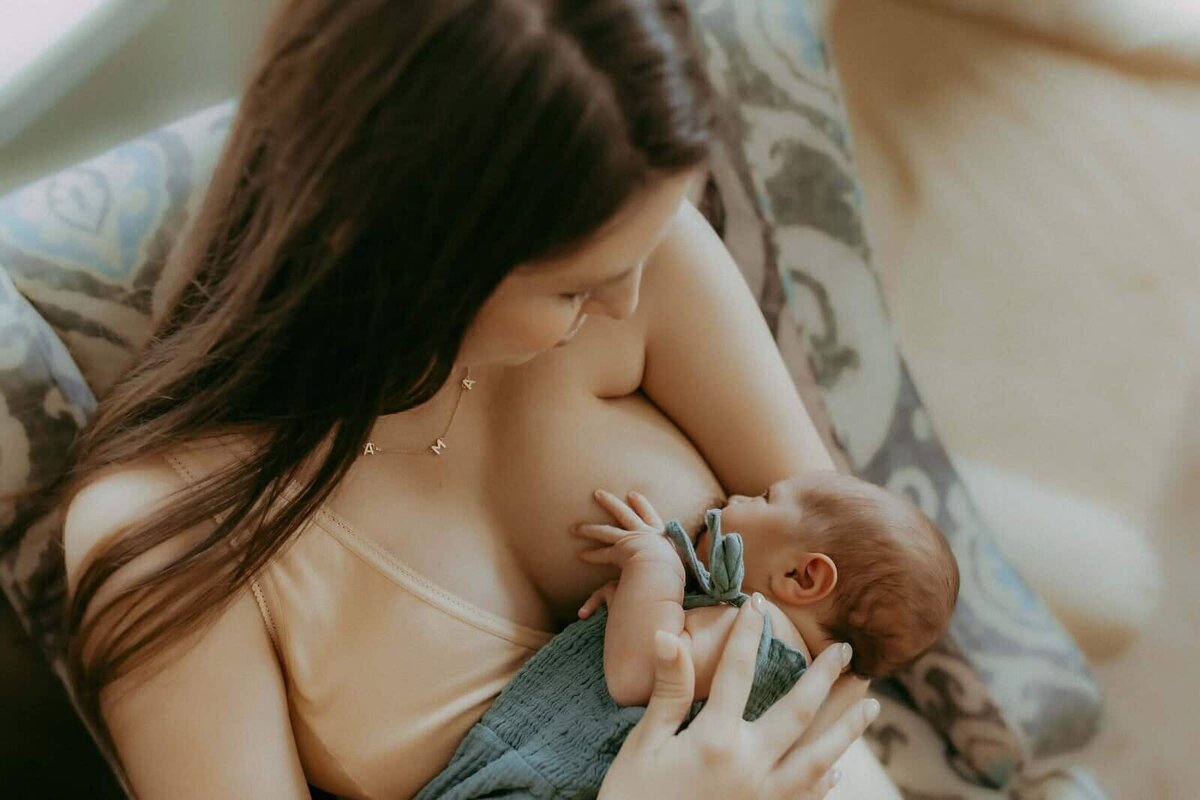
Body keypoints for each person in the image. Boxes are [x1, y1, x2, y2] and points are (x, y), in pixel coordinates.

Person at [53, 0, 895, 797]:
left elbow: (865, 609)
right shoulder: (171, 536)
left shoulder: (644, 239)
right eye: (575, 289)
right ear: (409, 249)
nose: (627, 302)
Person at [414, 473, 957, 797]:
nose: (737, 497)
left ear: (802, 576)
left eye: (766, 498)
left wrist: (656, 569)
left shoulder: (762, 634)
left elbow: (640, 673)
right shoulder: (778, 668)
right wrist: (640, 608)